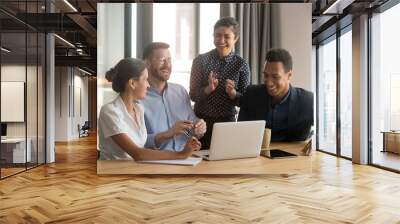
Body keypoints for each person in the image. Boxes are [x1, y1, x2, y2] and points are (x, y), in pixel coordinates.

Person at [98, 58, 201, 160]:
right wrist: (181, 154)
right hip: (114, 173)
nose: (148, 85)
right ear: (132, 83)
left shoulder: (139, 109)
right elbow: (138, 154)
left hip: (137, 169)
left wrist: (187, 144)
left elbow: (144, 146)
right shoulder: (110, 111)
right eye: (145, 79)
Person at [189, 17, 250, 148]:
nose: (221, 40)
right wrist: (208, 89)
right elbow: (193, 95)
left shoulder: (242, 64)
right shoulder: (200, 61)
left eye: (226, 36)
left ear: (236, 39)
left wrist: (233, 93)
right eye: (217, 35)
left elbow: (245, 101)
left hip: (227, 123)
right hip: (201, 122)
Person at [140, 42, 206, 151]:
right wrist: (168, 134)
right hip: (156, 161)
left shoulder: (180, 91)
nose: (167, 65)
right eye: (162, 60)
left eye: (169, 60)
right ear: (147, 63)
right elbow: (136, 141)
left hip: (187, 157)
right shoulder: (138, 98)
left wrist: (199, 127)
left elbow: (192, 122)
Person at [238, 48, 313, 142]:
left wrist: (312, 142)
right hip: (257, 154)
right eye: (266, 75)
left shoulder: (308, 100)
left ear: (289, 75)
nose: (269, 83)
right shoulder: (251, 94)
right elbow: (240, 132)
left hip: (294, 154)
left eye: (275, 77)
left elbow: (321, 132)